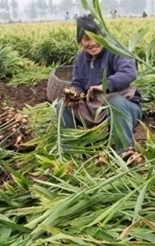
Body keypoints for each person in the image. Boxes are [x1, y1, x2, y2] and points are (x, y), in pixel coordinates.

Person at [56, 14, 143, 154]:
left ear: (103, 35)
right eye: (86, 39)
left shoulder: (116, 51)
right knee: (63, 105)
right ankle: (72, 152)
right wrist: (74, 93)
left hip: (125, 109)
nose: (92, 43)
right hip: (94, 109)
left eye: (96, 37)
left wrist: (104, 86)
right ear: (80, 41)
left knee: (116, 103)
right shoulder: (80, 59)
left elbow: (129, 73)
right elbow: (77, 82)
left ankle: (125, 153)